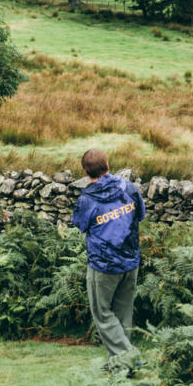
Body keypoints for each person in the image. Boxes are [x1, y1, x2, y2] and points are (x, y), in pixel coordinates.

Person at [71, 148, 146, 371]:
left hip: (103, 265)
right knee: (123, 313)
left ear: (86, 172)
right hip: (130, 259)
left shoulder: (87, 199)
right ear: (108, 165)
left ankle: (130, 358)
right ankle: (121, 365)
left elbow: (80, 223)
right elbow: (140, 215)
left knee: (103, 314)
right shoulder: (128, 188)